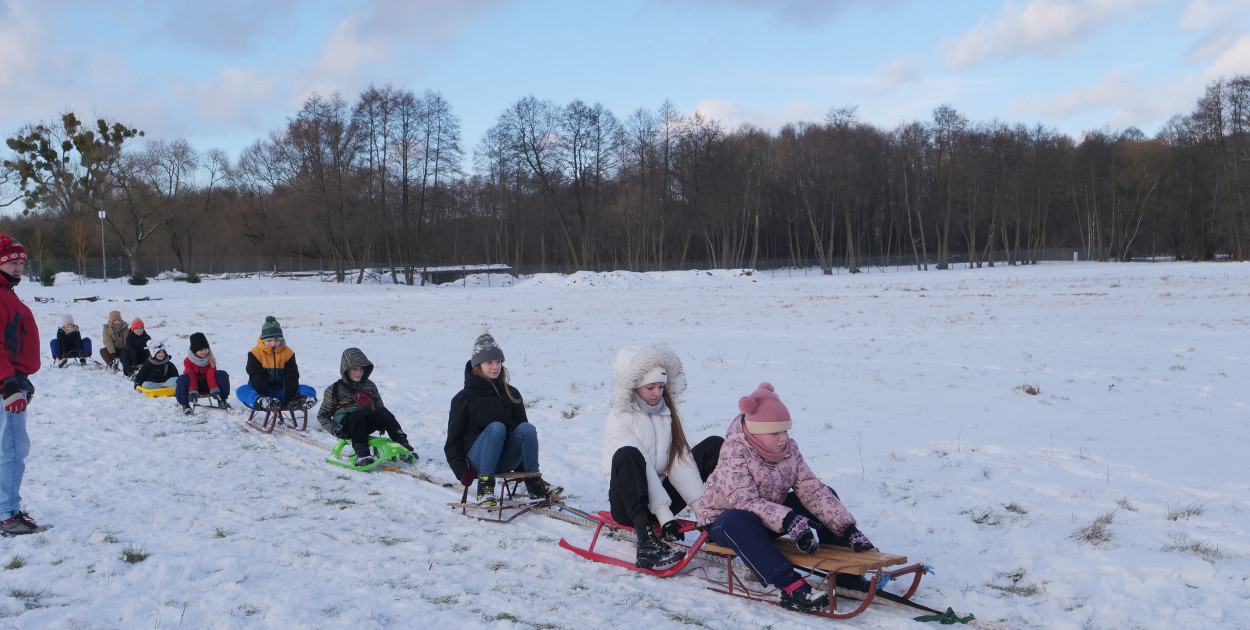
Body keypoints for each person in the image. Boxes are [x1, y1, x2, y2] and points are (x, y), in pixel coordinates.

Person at [696, 382, 876, 613]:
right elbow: (744, 502)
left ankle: (844, 573)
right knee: (738, 519)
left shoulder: (790, 449)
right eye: (775, 432)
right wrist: (789, 519)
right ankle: (789, 585)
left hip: (771, 517)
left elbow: (812, 490)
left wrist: (847, 528)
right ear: (755, 431)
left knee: (825, 494)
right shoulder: (734, 450)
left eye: (785, 431)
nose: (783, 438)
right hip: (726, 524)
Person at [602, 344, 723, 569]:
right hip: (629, 504)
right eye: (650, 387)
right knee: (628, 454)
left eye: (661, 386)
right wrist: (665, 517)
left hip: (660, 497)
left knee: (714, 446)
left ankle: (720, 521)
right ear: (634, 387)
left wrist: (703, 512)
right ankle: (646, 543)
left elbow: (680, 462)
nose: (657, 393)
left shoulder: (664, 412)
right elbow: (644, 467)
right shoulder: (619, 417)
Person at [445, 329, 560, 507]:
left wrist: (523, 465)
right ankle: (485, 487)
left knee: (527, 429)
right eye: (489, 362)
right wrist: (461, 470)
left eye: (498, 361)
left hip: (505, 458)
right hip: (478, 460)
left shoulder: (511, 393)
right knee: (496, 427)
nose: (495, 366)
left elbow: (522, 433)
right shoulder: (463, 399)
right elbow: (452, 442)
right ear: (478, 365)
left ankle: (534, 482)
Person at [0, 235, 46, 536]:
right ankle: (7, 515)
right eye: (12, 262)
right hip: (7, 384)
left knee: (8, 447)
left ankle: (5, 508)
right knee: (13, 449)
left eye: (21, 262)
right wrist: (9, 385)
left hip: (15, 380)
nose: (18, 268)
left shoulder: (7, 293)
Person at [318, 348, 415, 467]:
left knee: (382, 411)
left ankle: (403, 445)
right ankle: (362, 453)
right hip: (345, 427)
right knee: (357, 414)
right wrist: (334, 429)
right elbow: (322, 416)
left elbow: (379, 407)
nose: (359, 372)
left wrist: (383, 420)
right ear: (346, 369)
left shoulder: (369, 385)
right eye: (355, 369)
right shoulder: (334, 389)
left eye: (361, 369)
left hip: (364, 423)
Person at [235, 316, 316, 411]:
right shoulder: (255, 353)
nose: (273, 344)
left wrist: (289, 397)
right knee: (241, 390)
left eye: (277, 340)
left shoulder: (288, 353)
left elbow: (292, 376)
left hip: (283, 391)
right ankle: (261, 402)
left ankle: (301, 401)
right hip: (260, 391)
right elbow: (256, 376)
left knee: (308, 389)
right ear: (263, 340)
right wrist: (263, 395)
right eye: (269, 341)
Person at [175, 332, 231, 415]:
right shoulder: (188, 361)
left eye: (205, 349)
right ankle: (185, 405)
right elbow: (191, 376)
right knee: (182, 378)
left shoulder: (210, 358)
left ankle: (222, 400)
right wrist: (192, 392)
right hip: (192, 387)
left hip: (208, 385)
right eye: (200, 350)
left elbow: (211, 375)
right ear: (194, 351)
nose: (204, 352)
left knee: (222, 374)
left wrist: (215, 390)